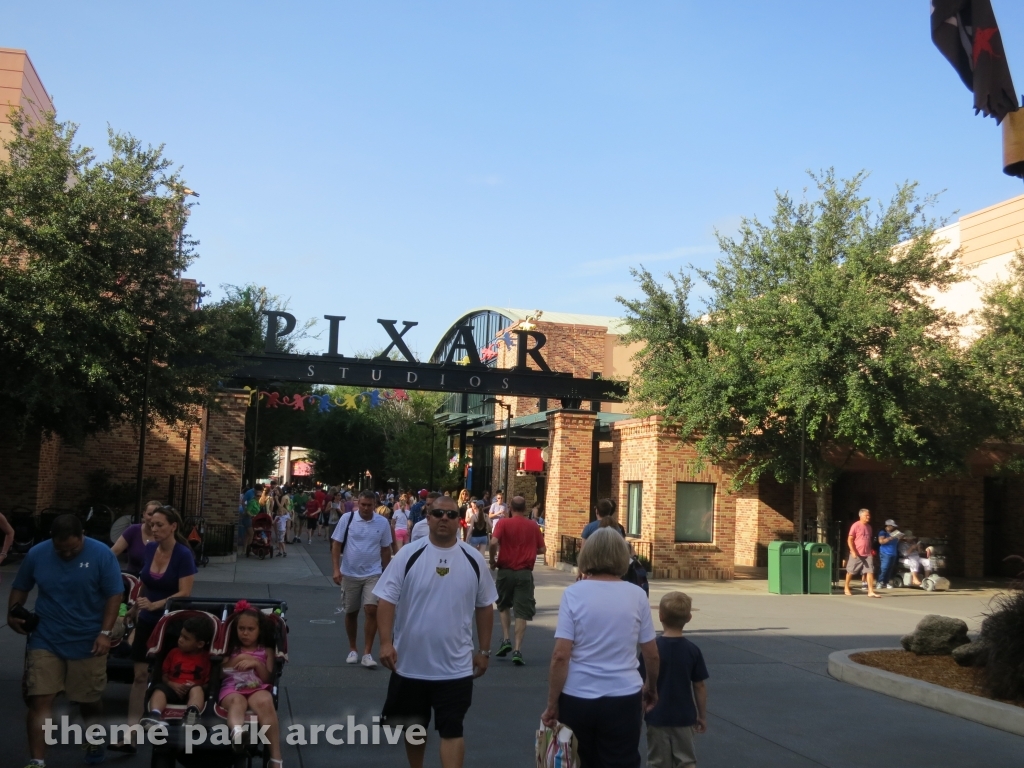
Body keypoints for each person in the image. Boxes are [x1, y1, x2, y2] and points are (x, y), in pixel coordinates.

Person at [374, 495, 497, 768]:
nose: (444, 518)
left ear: (458, 521)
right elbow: (386, 599)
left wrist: (484, 651)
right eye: (438, 513)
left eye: (451, 515)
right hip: (410, 664)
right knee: (414, 727)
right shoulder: (408, 554)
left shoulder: (473, 559)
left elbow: (485, 606)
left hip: (455, 667)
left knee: (453, 729)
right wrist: (385, 643)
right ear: (427, 517)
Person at [9, 514, 123, 767]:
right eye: (62, 550)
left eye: (73, 549)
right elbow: (21, 585)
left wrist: (104, 633)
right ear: (52, 541)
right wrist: (12, 611)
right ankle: (37, 760)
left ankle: (94, 739)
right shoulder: (38, 554)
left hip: (88, 638)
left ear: (82, 536)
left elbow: (115, 595)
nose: (68, 554)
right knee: (41, 698)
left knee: (88, 699)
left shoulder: (102, 554)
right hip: (46, 637)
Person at [541, 528, 659, 768]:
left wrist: (553, 702)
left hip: (577, 695)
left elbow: (561, 656)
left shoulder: (573, 594)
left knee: (577, 759)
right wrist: (652, 687)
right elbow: (652, 653)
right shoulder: (637, 595)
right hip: (624, 695)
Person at [125, 506, 197, 744]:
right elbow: (144, 582)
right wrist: (135, 608)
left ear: (173, 527)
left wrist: (156, 605)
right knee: (139, 675)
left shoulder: (183, 554)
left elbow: (185, 593)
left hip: (172, 623)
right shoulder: (151, 548)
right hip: (146, 619)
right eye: (151, 525)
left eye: (159, 525)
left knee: (165, 675)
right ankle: (131, 732)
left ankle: (164, 725)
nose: (153, 529)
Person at [643, 592, 708, 768]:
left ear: (660, 616)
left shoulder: (651, 650)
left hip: (656, 715)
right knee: (686, 760)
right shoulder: (693, 651)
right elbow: (699, 685)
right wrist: (701, 715)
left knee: (657, 761)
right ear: (689, 617)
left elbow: (642, 684)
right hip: (684, 716)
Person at [331, 490, 393, 668]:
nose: (365, 508)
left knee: (371, 610)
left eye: (369, 505)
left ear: (375, 505)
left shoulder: (382, 522)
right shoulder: (348, 519)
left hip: (373, 573)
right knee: (351, 611)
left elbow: (386, 549)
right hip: (349, 573)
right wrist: (336, 569)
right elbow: (336, 544)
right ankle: (353, 648)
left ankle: (367, 652)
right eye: (363, 504)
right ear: (359, 504)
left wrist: (387, 574)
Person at [220, 602, 282, 768]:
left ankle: (276, 758)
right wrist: (237, 660)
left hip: (256, 686)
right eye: (241, 629)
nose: (245, 633)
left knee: (265, 701)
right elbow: (221, 671)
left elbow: (267, 678)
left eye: (250, 629)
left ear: (259, 630)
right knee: (237, 702)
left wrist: (255, 663)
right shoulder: (232, 648)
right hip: (232, 687)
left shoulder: (266, 651)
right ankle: (238, 732)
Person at [489, 495, 546, 666]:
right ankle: (517, 649)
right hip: (524, 572)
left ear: (510, 508)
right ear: (525, 508)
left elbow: (493, 542)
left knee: (503, 604)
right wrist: (528, 552)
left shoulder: (503, 524)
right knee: (521, 611)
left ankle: (506, 637)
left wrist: (492, 560)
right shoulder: (533, 525)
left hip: (505, 570)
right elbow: (542, 549)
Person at [141, 615, 214, 727]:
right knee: (159, 690)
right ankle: (154, 715)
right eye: (181, 635)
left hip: (193, 689)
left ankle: (192, 714)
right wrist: (171, 684)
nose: (180, 640)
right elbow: (164, 674)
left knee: (197, 690)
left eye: (186, 638)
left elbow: (207, 683)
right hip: (172, 687)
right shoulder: (173, 653)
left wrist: (195, 685)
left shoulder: (206, 658)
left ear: (200, 644)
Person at [110, 499, 162, 575]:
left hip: (155, 580)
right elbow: (113, 552)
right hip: (133, 579)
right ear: (144, 514)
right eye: (150, 514)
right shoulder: (133, 530)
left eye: (156, 515)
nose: (152, 518)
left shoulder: (164, 534)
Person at [844, 508, 880, 598]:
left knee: (870, 571)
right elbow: (850, 539)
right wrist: (853, 551)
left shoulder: (869, 527)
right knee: (851, 571)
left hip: (867, 554)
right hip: (857, 553)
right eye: (866, 515)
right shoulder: (855, 525)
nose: (868, 517)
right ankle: (846, 587)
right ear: (861, 516)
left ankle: (870, 591)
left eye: (869, 515)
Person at [877, 519, 901, 590]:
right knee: (884, 568)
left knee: (890, 568)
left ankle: (886, 582)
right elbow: (881, 541)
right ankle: (879, 581)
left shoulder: (894, 533)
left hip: (893, 553)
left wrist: (899, 538)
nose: (893, 528)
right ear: (887, 526)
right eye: (891, 526)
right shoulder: (883, 532)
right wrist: (889, 538)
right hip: (885, 552)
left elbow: (896, 543)